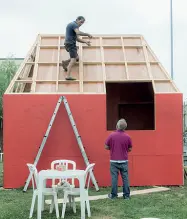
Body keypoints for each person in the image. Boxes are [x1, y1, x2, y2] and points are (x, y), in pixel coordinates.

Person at [105, 118, 132, 200]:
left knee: (114, 178)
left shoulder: (111, 135)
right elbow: (130, 149)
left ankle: (113, 195)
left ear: (117, 126)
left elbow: (106, 147)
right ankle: (126, 195)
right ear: (125, 127)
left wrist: (112, 148)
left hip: (114, 161)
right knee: (125, 178)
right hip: (124, 160)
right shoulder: (127, 137)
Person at [62, 16, 92, 80]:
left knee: (77, 57)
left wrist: (85, 42)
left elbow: (77, 39)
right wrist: (87, 34)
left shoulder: (72, 26)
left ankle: (65, 63)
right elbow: (78, 32)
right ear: (77, 20)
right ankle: (67, 76)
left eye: (82, 23)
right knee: (73, 60)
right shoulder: (74, 25)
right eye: (81, 22)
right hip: (71, 44)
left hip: (68, 43)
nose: (81, 24)